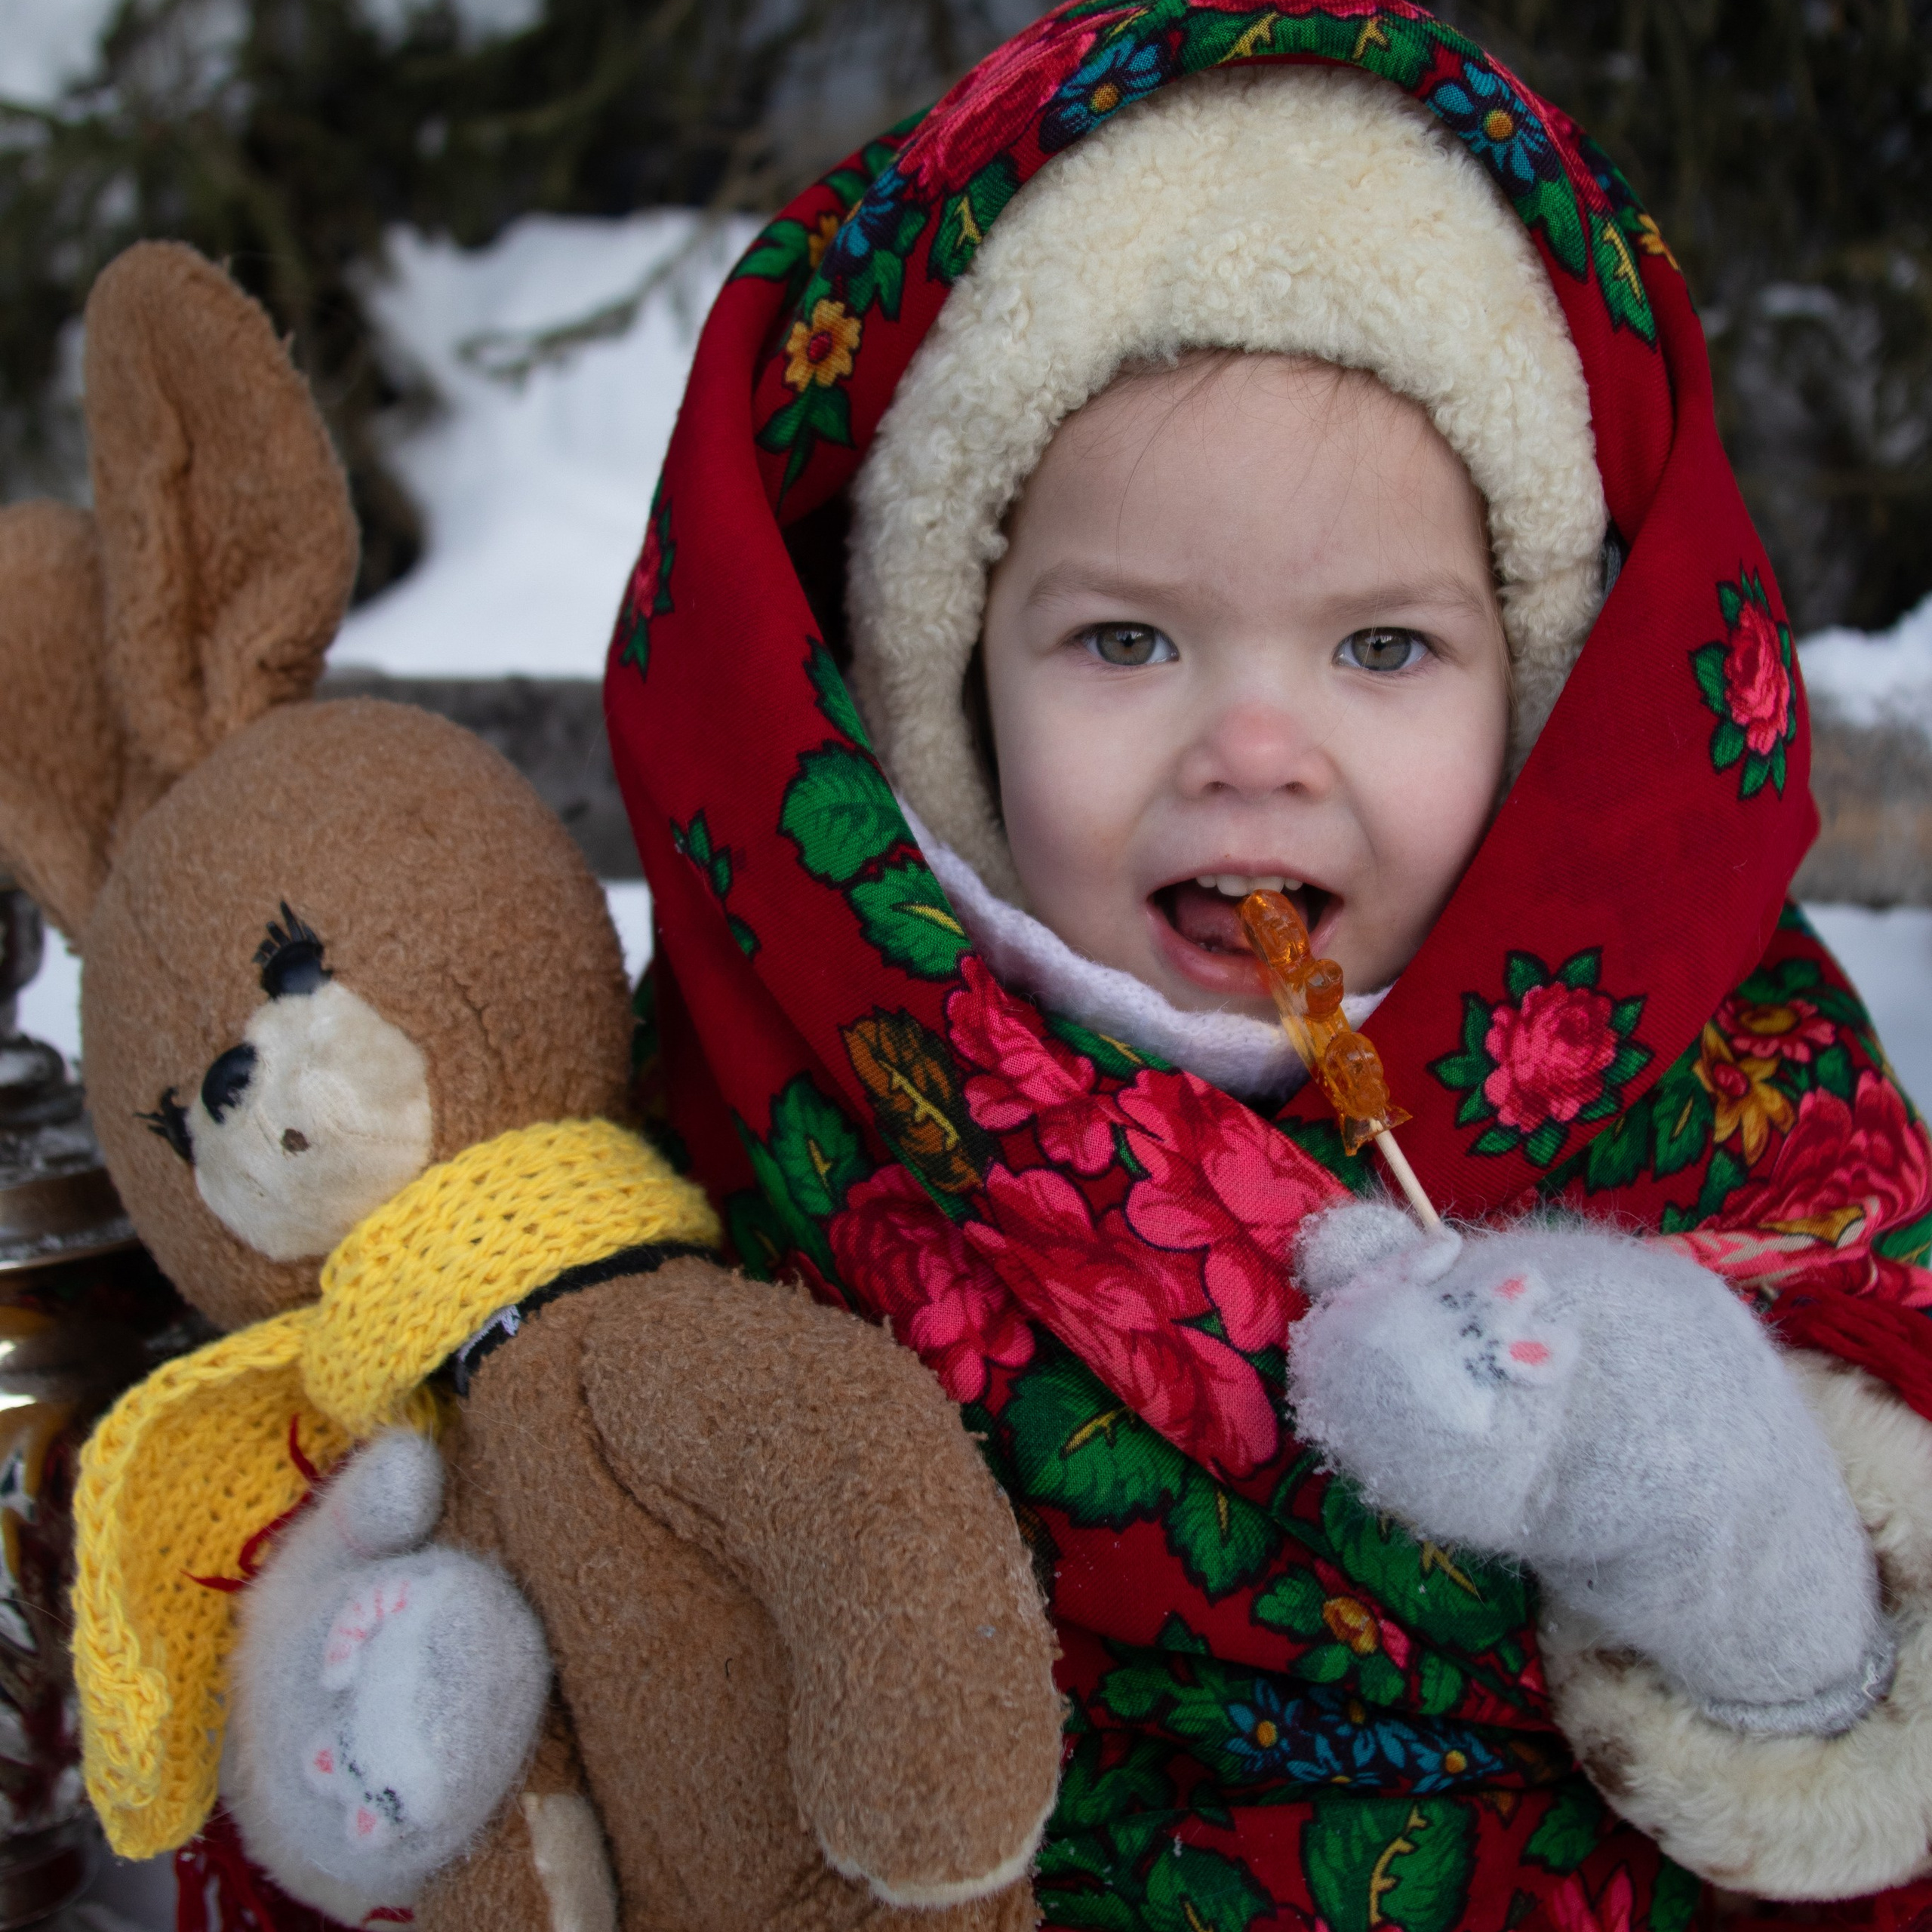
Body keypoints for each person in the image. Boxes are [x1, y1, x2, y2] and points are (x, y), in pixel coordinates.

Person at [605, 14, 1932, 1927]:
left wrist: (1689, 1471)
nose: (1250, 744)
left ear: (1534, 681)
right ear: (951, 674)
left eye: (1381, 649)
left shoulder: (1716, 1069)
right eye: (1126, 640)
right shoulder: (802, 1093)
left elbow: (1874, 1681)